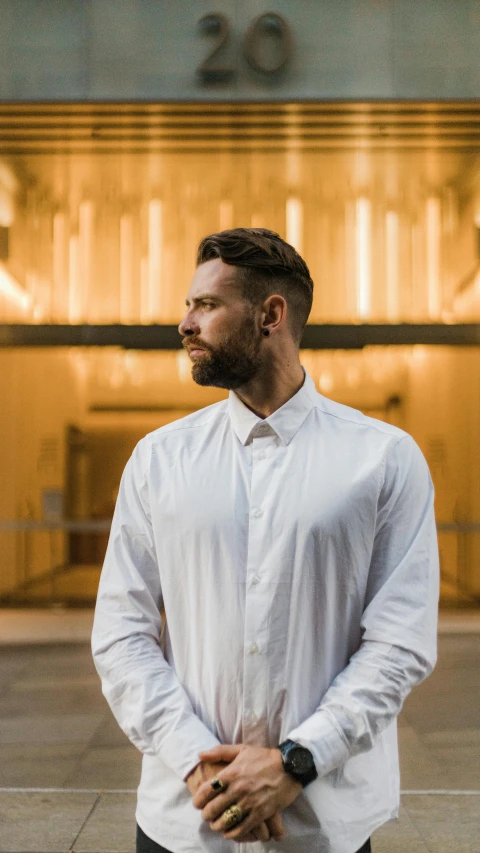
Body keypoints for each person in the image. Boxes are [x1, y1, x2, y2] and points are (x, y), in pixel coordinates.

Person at [92, 228, 439, 853]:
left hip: (318, 826)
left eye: (205, 305)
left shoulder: (384, 460)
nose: (184, 323)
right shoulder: (158, 461)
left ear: (270, 315)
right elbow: (121, 634)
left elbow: (399, 643)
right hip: (183, 822)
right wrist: (200, 764)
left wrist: (295, 762)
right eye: (188, 305)